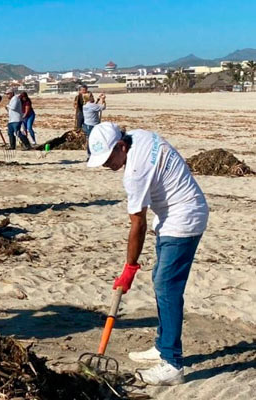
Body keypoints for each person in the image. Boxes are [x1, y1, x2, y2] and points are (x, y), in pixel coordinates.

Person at [87, 122, 208, 386]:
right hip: (174, 215)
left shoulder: (135, 172)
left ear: (120, 146)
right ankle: (163, 345)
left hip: (184, 218)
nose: (107, 165)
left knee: (167, 287)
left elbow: (137, 223)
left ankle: (173, 364)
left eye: (108, 159)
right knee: (161, 280)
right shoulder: (139, 137)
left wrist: (129, 268)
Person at [82, 93, 107, 157]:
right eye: (92, 96)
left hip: (86, 125)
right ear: (89, 98)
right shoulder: (92, 106)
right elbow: (103, 107)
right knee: (96, 140)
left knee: (90, 140)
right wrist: (103, 100)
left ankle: (89, 154)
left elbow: (94, 106)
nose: (93, 97)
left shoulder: (85, 105)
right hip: (93, 126)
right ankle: (95, 153)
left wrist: (98, 99)